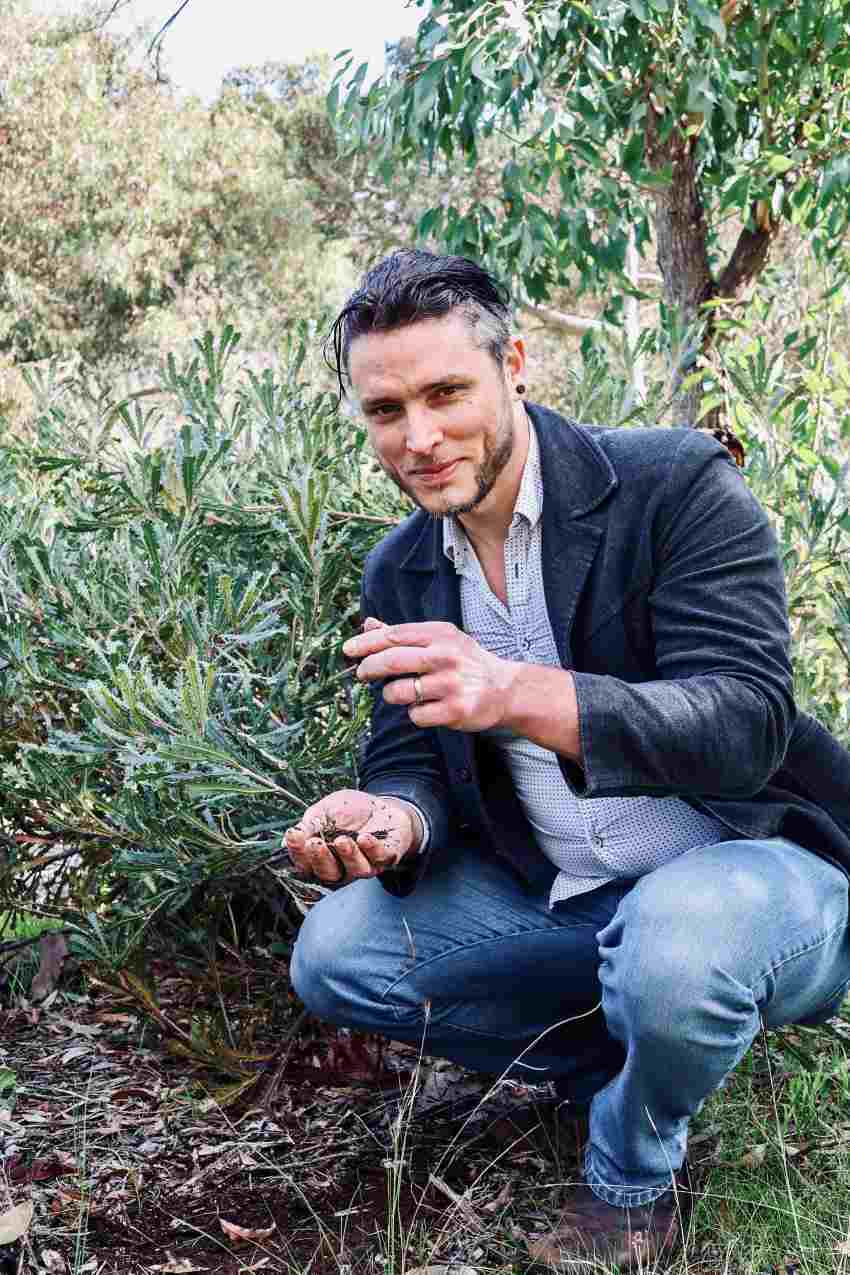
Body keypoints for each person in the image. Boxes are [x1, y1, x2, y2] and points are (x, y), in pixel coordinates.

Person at [285, 250, 850, 1267]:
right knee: (337, 954)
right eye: (384, 410)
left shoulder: (671, 486)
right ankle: (618, 1062)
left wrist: (513, 693)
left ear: (516, 365)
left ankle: (630, 1169)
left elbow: (745, 722)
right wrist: (389, 821)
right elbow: (408, 756)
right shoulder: (404, 565)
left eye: (446, 392)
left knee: (676, 952)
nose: (418, 437)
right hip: (569, 892)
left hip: (753, 869)